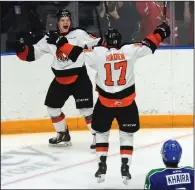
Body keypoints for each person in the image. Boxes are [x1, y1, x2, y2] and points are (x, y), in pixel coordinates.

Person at [54, 21, 171, 184]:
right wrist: (161, 31)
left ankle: (102, 165)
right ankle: (125, 167)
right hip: (127, 104)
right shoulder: (130, 50)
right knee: (127, 135)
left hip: (105, 104)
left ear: (105, 42)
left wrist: (61, 43)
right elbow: (150, 44)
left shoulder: (97, 53)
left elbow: (75, 54)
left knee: (101, 134)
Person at [14, 9, 101, 153]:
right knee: (52, 108)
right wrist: (21, 49)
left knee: (86, 110)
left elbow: (95, 43)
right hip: (60, 80)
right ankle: (63, 134)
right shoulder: (50, 38)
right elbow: (32, 54)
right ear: (57, 23)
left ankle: (98, 137)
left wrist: (102, 42)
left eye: (68, 19)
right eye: (62, 20)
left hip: (79, 77)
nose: (66, 22)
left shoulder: (79, 34)